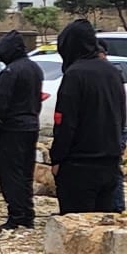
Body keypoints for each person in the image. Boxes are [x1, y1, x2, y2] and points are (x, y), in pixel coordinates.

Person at [50, 17, 126, 214]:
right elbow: (121, 112)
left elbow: (65, 122)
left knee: (77, 229)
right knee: (104, 229)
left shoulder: (75, 75)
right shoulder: (112, 72)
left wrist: (57, 158)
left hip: (79, 165)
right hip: (110, 162)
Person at [0, 30, 43, 231]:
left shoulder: (10, 72)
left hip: (12, 129)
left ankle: (16, 215)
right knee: (25, 172)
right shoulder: (34, 68)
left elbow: (0, 103)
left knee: (10, 174)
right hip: (31, 125)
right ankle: (27, 213)